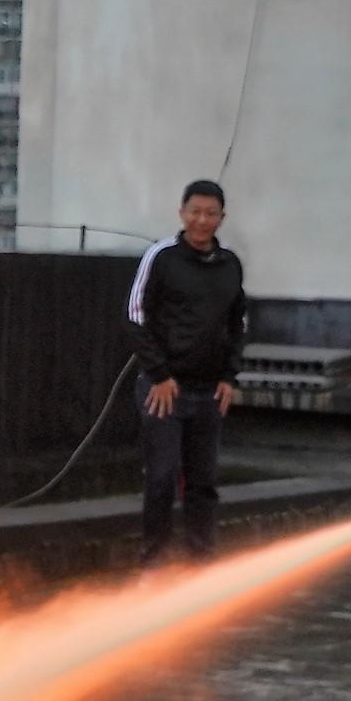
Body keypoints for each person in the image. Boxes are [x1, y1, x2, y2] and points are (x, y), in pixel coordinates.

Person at [130, 179, 245, 565]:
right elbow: (135, 317)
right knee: (161, 477)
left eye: (210, 214)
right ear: (182, 213)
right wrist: (159, 375)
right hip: (165, 388)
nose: (202, 220)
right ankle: (154, 563)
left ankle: (201, 562)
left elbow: (237, 324)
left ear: (221, 218)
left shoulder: (230, 265)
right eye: (195, 212)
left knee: (203, 483)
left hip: (209, 390)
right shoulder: (161, 257)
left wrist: (230, 377)